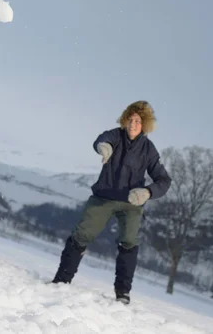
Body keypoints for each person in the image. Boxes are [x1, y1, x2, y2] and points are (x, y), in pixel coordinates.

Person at [51, 101, 171, 304]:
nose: (133, 124)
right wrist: (104, 148)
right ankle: (62, 280)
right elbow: (101, 139)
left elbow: (164, 181)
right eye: (130, 119)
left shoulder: (149, 150)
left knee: (129, 242)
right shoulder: (115, 135)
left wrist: (147, 193)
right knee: (81, 236)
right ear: (125, 120)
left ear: (145, 125)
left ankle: (123, 293)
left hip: (131, 203)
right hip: (104, 197)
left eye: (138, 121)